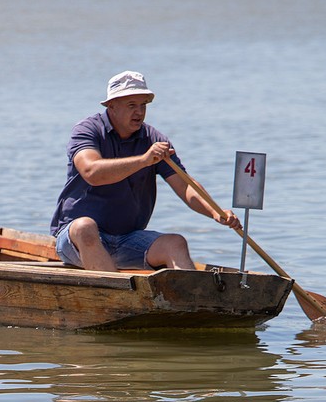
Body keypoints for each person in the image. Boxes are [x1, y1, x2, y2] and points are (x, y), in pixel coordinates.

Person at [50, 70, 241, 273]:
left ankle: (191, 301)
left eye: (143, 105)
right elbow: (92, 172)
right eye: (132, 105)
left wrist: (215, 212)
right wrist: (144, 160)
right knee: (84, 227)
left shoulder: (154, 139)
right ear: (111, 106)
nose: (139, 112)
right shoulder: (86, 130)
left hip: (128, 239)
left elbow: (184, 185)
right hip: (77, 240)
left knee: (175, 243)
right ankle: (118, 299)